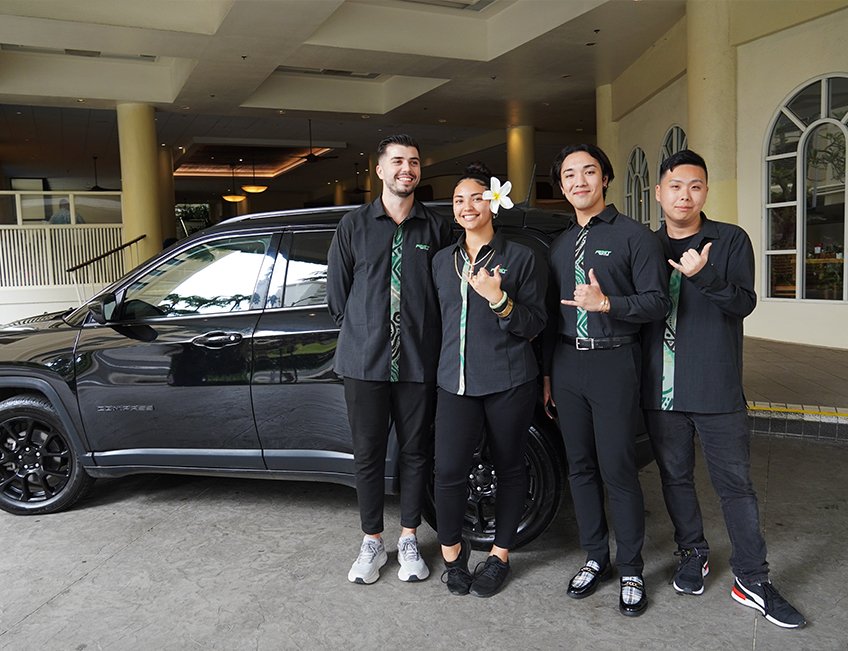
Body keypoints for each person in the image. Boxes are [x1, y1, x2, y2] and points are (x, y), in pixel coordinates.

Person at [641, 149, 806, 628]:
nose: (684, 195)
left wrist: (702, 275)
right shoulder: (645, 245)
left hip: (716, 391)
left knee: (736, 486)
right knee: (674, 478)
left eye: (695, 186)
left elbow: (743, 304)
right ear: (659, 192)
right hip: (660, 391)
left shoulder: (730, 240)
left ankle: (753, 578)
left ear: (705, 192)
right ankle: (692, 551)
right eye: (675, 185)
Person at [542, 144, 668, 617]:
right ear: (561, 186)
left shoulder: (635, 236)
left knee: (617, 468)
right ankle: (596, 557)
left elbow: (657, 302)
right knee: (579, 467)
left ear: (605, 178)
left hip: (614, 363)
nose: (579, 181)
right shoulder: (558, 243)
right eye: (569, 175)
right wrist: (550, 372)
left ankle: (631, 566)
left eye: (588, 172)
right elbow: (554, 314)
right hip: (568, 363)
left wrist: (609, 304)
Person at [327, 134, 453, 585]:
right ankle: (372, 542)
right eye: (397, 161)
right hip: (364, 364)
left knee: (417, 453)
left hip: (420, 363)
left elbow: (447, 295)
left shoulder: (438, 229)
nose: (407, 168)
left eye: (414, 162)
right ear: (379, 170)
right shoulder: (353, 226)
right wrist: (368, 334)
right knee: (368, 455)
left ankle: (409, 539)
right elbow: (338, 298)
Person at [432, 163, 546, 598]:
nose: (467, 206)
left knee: (511, 467)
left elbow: (535, 322)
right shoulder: (443, 261)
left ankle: (499, 556)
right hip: (454, 383)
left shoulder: (520, 257)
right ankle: (453, 557)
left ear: (494, 202)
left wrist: (499, 300)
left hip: (509, 381)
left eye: (476, 197)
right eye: (459, 200)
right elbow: (435, 325)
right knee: (449, 472)